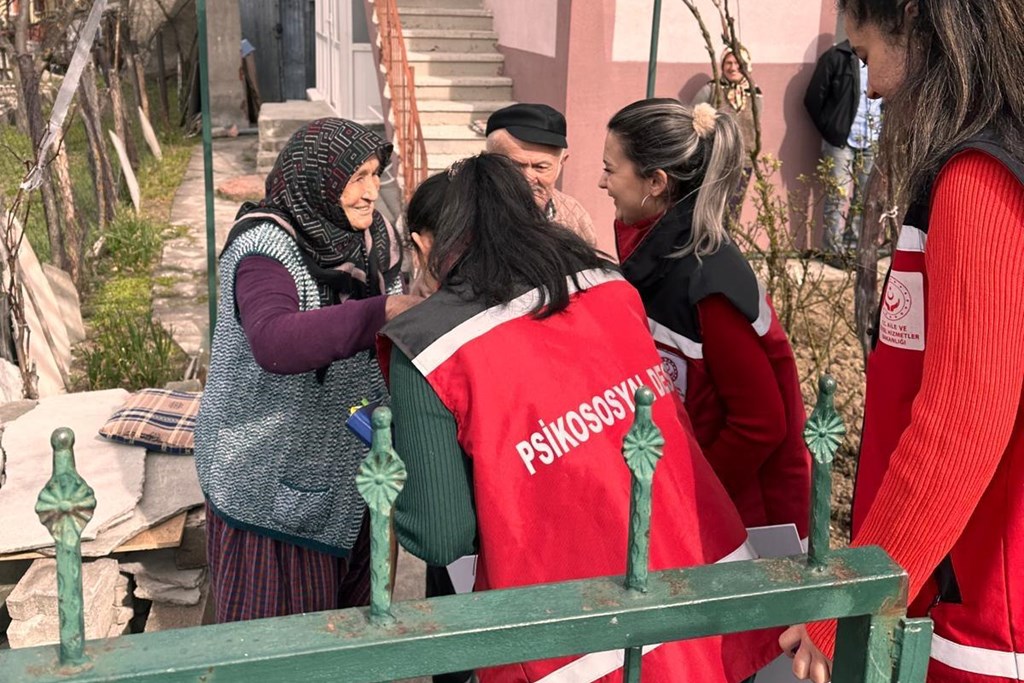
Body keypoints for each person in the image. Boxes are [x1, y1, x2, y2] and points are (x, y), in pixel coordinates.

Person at [381, 154, 779, 682]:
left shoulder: (432, 344)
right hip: (706, 595)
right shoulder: (610, 287)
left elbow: (439, 536)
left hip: (577, 647)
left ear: (430, 243)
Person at [781, 1, 1024, 681]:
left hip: (987, 624)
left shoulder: (983, 177)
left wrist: (853, 606)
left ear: (918, 22)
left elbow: (962, 421)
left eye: (865, 57)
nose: (872, 88)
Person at [194, 118, 422, 623]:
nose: (369, 193)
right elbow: (274, 341)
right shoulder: (265, 249)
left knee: (351, 631)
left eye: (374, 175)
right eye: (355, 178)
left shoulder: (375, 238)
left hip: (353, 472)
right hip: (268, 479)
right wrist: (379, 313)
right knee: (283, 644)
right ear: (317, 180)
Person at [600, 98, 811, 539]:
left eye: (611, 169)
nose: (603, 183)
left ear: (655, 182)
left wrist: (689, 497)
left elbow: (760, 424)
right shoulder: (653, 252)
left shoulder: (708, 282)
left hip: (745, 519)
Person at [804, 39, 883, 256]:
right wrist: (832, 129)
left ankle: (853, 248)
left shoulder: (881, 56)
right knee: (837, 195)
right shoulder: (837, 56)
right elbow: (812, 98)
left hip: (871, 140)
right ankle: (832, 250)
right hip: (841, 141)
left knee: (865, 197)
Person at [485, 103, 597, 246]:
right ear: (488, 161)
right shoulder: (462, 210)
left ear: (561, 164)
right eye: (515, 166)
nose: (527, 178)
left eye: (540, 167)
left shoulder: (574, 216)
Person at [692, 47, 762, 221]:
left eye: (738, 63)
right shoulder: (711, 90)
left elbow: (756, 126)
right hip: (715, 159)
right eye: (728, 63)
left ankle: (725, 246)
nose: (732, 67)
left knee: (732, 212)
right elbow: (692, 120)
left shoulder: (755, 94)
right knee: (710, 210)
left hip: (743, 161)